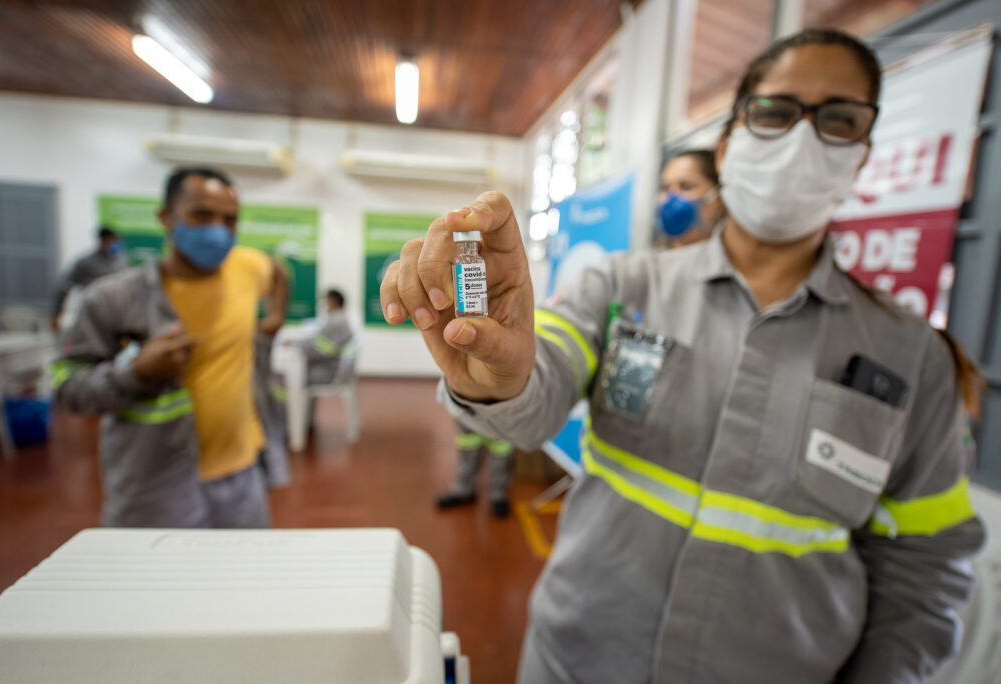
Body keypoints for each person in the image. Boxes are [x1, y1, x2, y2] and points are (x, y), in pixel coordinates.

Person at [380, 29, 986, 683]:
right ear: (730, 144)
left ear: (862, 155)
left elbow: (928, 565)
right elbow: (538, 387)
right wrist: (502, 379)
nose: (803, 140)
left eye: (838, 119)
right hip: (580, 659)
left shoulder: (912, 356)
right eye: (777, 111)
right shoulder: (622, 285)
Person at [52, 166, 288, 528]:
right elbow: (67, 389)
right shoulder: (111, 299)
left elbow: (279, 272)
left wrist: (273, 319)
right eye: (202, 215)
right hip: (156, 484)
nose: (219, 231)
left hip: (243, 476)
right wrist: (135, 373)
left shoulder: (246, 266)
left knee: (242, 580)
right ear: (166, 217)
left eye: (230, 220)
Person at [51, 226, 128, 330]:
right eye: (112, 240)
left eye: (116, 240)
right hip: (92, 313)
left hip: (118, 314)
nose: (115, 243)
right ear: (102, 240)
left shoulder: (121, 261)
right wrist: (56, 313)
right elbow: (64, 288)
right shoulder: (85, 262)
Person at [436, 419, 514, 518]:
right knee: (468, 446)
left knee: (501, 451)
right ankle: (464, 490)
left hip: (499, 412)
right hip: (468, 412)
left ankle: (498, 494)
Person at [654, 149, 726, 248]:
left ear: (720, 197)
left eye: (686, 187)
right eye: (665, 188)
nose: (671, 197)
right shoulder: (650, 261)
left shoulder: (736, 261)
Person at [297, 289, 355, 385]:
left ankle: (288, 400)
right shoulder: (339, 318)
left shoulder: (335, 322)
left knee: (296, 375)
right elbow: (320, 343)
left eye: (325, 301)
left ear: (333, 302)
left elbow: (323, 349)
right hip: (332, 366)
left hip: (329, 371)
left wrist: (298, 345)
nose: (324, 304)